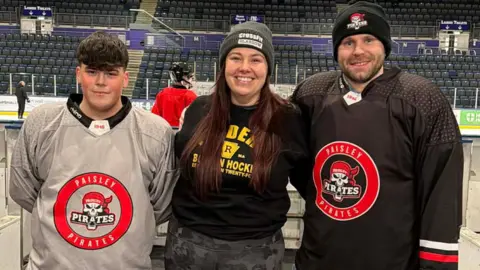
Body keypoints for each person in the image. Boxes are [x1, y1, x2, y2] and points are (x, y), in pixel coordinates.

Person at [290, 1, 464, 270]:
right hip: (318, 260)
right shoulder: (310, 94)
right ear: (337, 50)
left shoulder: (422, 99)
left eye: (368, 39)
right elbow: (296, 165)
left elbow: (440, 196)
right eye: (348, 42)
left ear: (384, 45)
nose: (358, 51)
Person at [9, 31, 178, 270]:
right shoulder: (42, 123)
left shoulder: (156, 132)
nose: (101, 82)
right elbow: (24, 191)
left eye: (111, 73)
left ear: (125, 78)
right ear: (79, 74)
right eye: (92, 71)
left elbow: (160, 205)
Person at [165, 21, 309, 269]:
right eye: (235, 57)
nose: (244, 68)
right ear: (224, 65)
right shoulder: (198, 110)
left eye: (255, 59)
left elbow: (306, 179)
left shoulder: (288, 119)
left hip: (256, 251)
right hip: (188, 246)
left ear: (267, 67)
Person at [151, 62, 197, 127]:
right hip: (182, 134)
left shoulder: (163, 93)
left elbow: (154, 117)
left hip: (165, 133)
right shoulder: (191, 96)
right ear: (182, 78)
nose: (191, 79)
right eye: (189, 76)